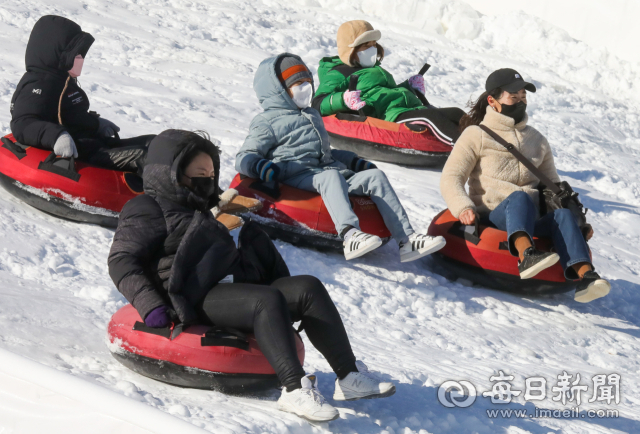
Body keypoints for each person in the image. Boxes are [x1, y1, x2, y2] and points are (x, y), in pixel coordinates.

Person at [108, 129, 396, 422]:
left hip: (226, 285)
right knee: (265, 299)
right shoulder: (146, 207)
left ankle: (349, 376)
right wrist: (152, 306)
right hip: (189, 296)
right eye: (199, 173)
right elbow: (121, 260)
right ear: (172, 174)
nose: (207, 180)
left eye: (210, 173)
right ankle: (294, 390)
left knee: (308, 287)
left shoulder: (199, 207)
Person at [235, 53, 446, 262]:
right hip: (296, 174)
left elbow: (324, 152)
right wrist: (259, 167)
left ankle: (407, 240)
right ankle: (350, 235)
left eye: (307, 81)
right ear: (280, 90)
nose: (306, 88)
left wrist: (352, 160)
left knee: (375, 177)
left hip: (326, 169)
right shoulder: (267, 121)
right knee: (330, 178)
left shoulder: (312, 115)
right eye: (298, 83)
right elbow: (245, 156)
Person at [440, 68, 611, 303]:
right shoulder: (476, 135)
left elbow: (554, 188)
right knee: (519, 197)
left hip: (530, 216)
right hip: (493, 214)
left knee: (561, 216)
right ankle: (526, 255)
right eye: (513, 97)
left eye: (523, 97)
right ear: (493, 101)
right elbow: (451, 176)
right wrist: (463, 207)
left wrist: (579, 224)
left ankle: (585, 277)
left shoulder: (537, 140)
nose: (520, 102)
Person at [10, 15, 154, 172]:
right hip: (81, 154)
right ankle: (168, 193)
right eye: (76, 55)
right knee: (142, 156)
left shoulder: (64, 81)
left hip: (93, 143)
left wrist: (96, 124)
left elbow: (72, 117)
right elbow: (23, 122)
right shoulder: (39, 84)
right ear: (59, 55)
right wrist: (56, 136)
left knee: (154, 143)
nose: (80, 59)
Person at [312, 20, 465, 146]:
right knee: (430, 118)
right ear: (350, 49)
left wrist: (409, 87)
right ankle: (468, 152)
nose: (372, 49)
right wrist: (343, 100)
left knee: (456, 113)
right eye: (366, 45)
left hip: (406, 109)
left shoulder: (374, 69)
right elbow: (318, 103)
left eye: (373, 44)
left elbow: (387, 92)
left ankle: (485, 143)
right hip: (390, 117)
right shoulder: (338, 73)